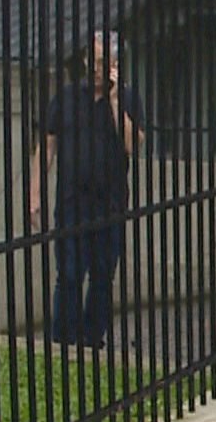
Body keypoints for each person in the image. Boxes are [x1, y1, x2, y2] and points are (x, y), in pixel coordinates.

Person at [30, 32, 143, 348]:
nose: (97, 69)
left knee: (103, 276)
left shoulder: (128, 98)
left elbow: (133, 144)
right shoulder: (66, 98)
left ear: (116, 64)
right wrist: (35, 194)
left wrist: (115, 100)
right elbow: (47, 146)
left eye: (104, 63)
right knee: (67, 274)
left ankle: (93, 340)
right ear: (83, 61)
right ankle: (63, 340)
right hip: (71, 202)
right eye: (93, 62)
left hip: (110, 204)